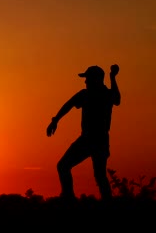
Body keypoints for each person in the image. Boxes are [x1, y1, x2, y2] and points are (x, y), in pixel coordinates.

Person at [46, 64, 121, 201]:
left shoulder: (103, 94)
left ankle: (70, 199)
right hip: (92, 140)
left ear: (96, 79)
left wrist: (112, 78)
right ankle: (69, 197)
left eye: (88, 78)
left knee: (93, 173)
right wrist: (55, 120)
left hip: (94, 140)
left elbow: (117, 100)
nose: (85, 81)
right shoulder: (87, 94)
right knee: (94, 174)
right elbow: (68, 105)